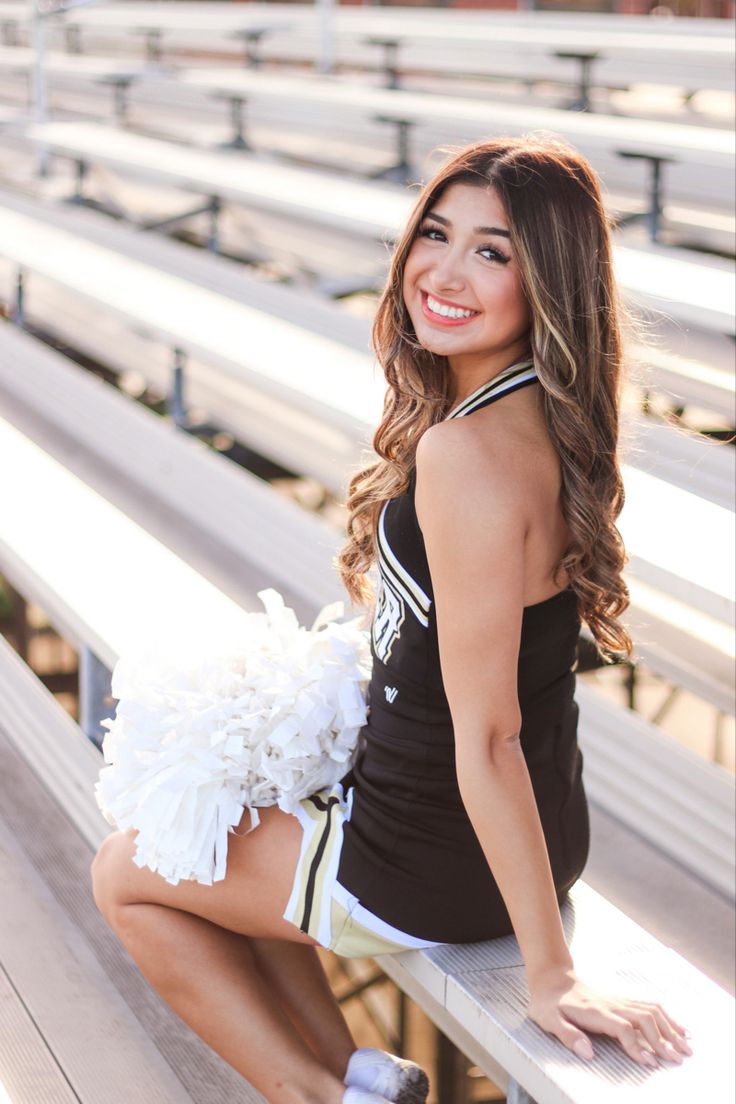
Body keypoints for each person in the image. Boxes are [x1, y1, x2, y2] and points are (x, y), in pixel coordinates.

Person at [90, 135, 693, 1104]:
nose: (444, 273)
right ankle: (363, 1081)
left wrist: (551, 971)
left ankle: (318, 1098)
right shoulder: (538, 412)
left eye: (493, 253)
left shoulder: (469, 454)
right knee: (208, 835)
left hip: (433, 856)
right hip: (526, 823)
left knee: (128, 870)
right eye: (436, 234)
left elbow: (489, 730)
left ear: (548, 282)